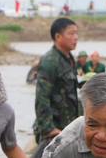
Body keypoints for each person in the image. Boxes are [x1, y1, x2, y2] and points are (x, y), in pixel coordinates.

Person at [33, 18, 81, 146]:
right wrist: (49, 129)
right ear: (58, 36)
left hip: (68, 127)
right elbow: (41, 97)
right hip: (56, 129)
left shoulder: (69, 59)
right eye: (71, 33)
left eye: (76, 33)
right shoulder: (50, 61)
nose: (76, 37)